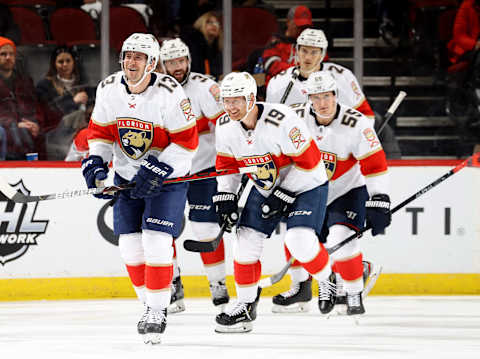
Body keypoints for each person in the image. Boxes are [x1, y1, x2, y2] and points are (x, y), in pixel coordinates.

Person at [82, 33, 198, 345]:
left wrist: (159, 167)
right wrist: (96, 162)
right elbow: (100, 134)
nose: (131, 61)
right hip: (126, 175)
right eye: (128, 54)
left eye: (139, 56)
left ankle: (158, 311)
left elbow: (188, 143)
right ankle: (149, 304)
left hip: (169, 179)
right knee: (129, 247)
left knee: (156, 240)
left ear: (152, 63)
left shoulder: (170, 91)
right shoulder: (108, 89)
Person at [213, 71, 332, 333]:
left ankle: (328, 280)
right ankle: (245, 305)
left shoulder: (283, 120)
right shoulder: (224, 126)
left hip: (307, 183)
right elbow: (227, 166)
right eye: (226, 100)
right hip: (267, 186)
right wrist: (226, 197)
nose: (231, 107)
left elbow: (310, 163)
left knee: (298, 240)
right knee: (244, 242)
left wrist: (284, 193)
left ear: (251, 98)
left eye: (237, 100)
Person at [277, 71, 391, 316]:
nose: (323, 103)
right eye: (316, 98)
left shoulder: (356, 122)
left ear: (336, 95)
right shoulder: (294, 119)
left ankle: (352, 291)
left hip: (347, 189)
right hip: (309, 189)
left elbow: (375, 164)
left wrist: (379, 197)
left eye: (327, 96)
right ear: (308, 98)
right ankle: (317, 283)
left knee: (340, 240)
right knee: (297, 238)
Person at [158, 38, 227, 313]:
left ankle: (218, 284)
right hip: (169, 172)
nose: (177, 67)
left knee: (205, 229)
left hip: (202, 170)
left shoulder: (205, 87)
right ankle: (172, 286)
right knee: (162, 230)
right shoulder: (155, 90)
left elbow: (226, 125)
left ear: (188, 60)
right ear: (162, 64)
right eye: (171, 62)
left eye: (180, 61)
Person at [266, 28, 375, 121]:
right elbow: (270, 123)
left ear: (322, 54)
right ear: (297, 51)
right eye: (304, 51)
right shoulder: (278, 83)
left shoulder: (342, 77)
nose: (308, 57)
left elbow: (365, 115)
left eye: (314, 52)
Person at [0, 36, 42, 160]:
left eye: (11, 54)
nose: (8, 57)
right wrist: (15, 124)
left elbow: (35, 107)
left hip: (26, 131)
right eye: (3, 54)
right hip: (7, 132)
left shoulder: (25, 81)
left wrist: (35, 124)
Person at [262, 5, 313, 85]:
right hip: (279, 88)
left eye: (305, 26)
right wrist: (297, 70)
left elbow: (322, 65)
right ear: (288, 22)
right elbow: (270, 64)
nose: (302, 30)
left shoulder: (313, 43)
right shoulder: (276, 42)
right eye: (299, 26)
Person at [182, 11, 223, 80]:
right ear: (201, 24)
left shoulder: (216, 47)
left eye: (217, 23)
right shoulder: (194, 42)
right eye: (209, 22)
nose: (214, 25)